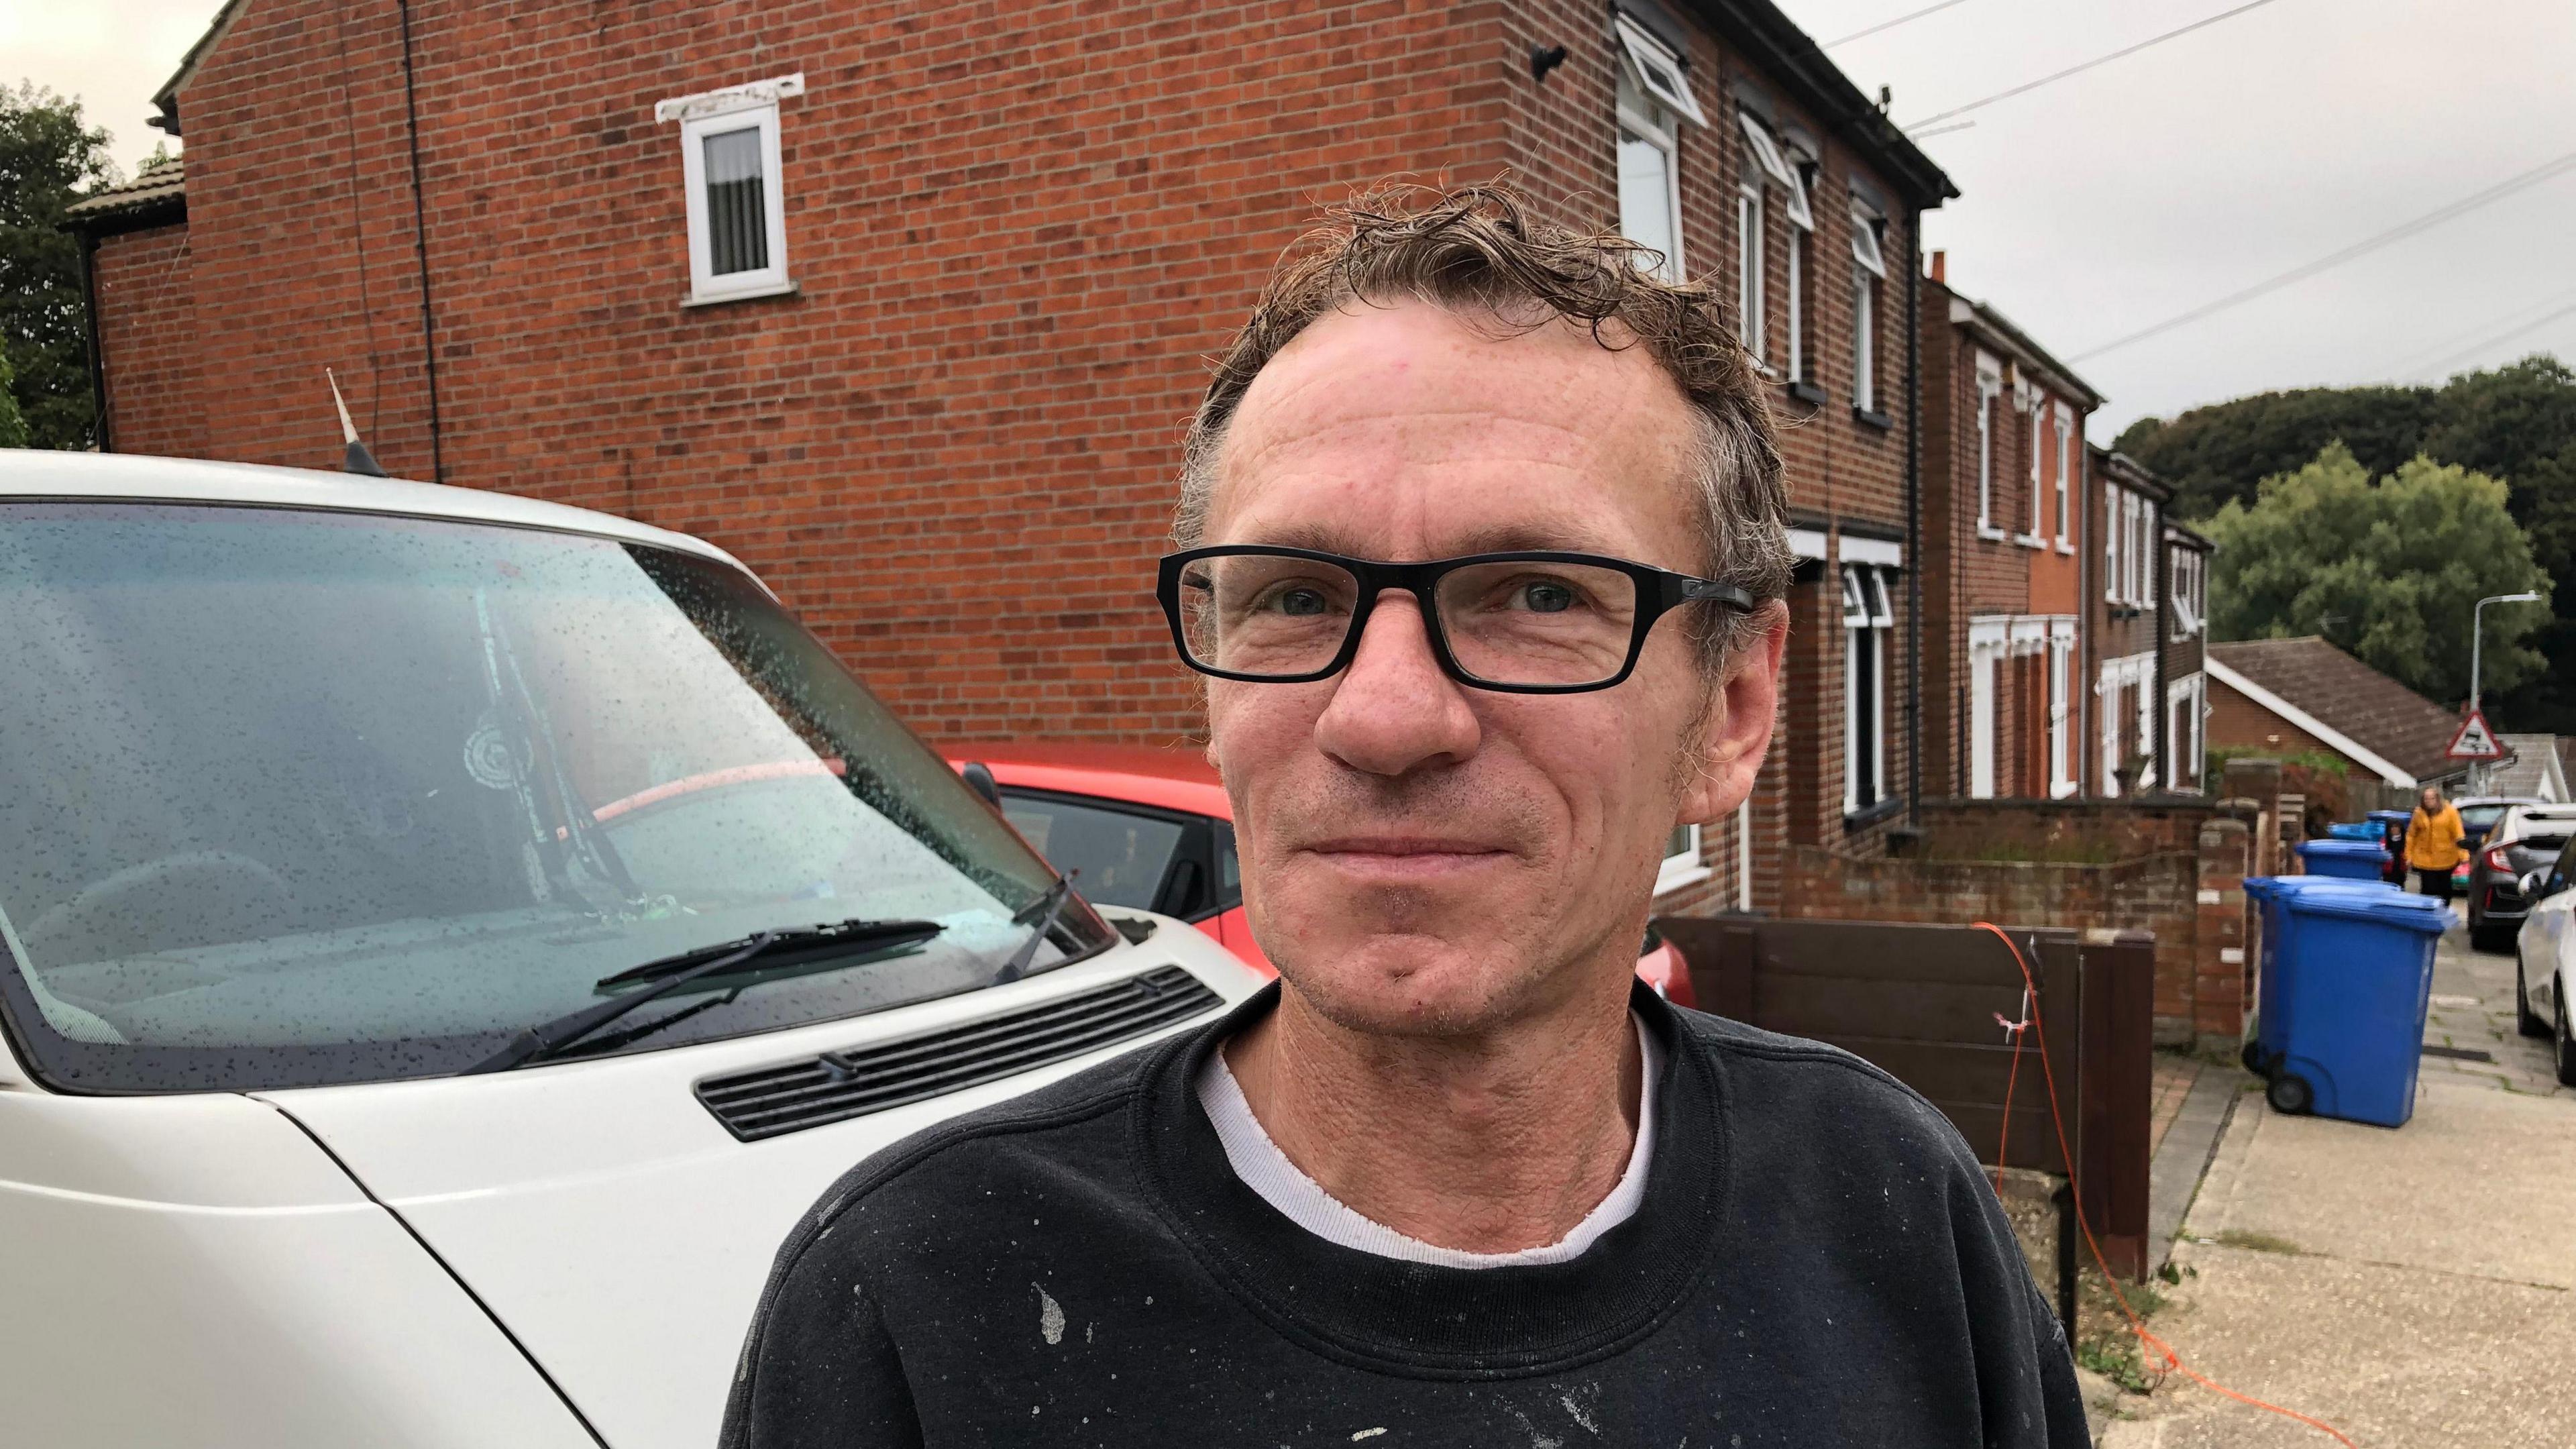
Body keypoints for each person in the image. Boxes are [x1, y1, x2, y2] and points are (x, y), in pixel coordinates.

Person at [720, 184, 2088, 1448]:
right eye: (1293, 597)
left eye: (1540, 593)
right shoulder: (919, 1293)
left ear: (1731, 709)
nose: (1379, 717)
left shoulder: (1893, 1213)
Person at [2406, 785, 2466, 900]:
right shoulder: (2419, 813)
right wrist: (2408, 855)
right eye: (2426, 799)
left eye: (2432, 798)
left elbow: (2459, 834)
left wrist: (2463, 855)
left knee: (2445, 890)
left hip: (2446, 859)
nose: (2429, 801)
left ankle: (2444, 912)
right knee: (2428, 890)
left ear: (2438, 799)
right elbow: (2411, 835)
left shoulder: (2450, 812)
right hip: (2424, 860)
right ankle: (2428, 914)